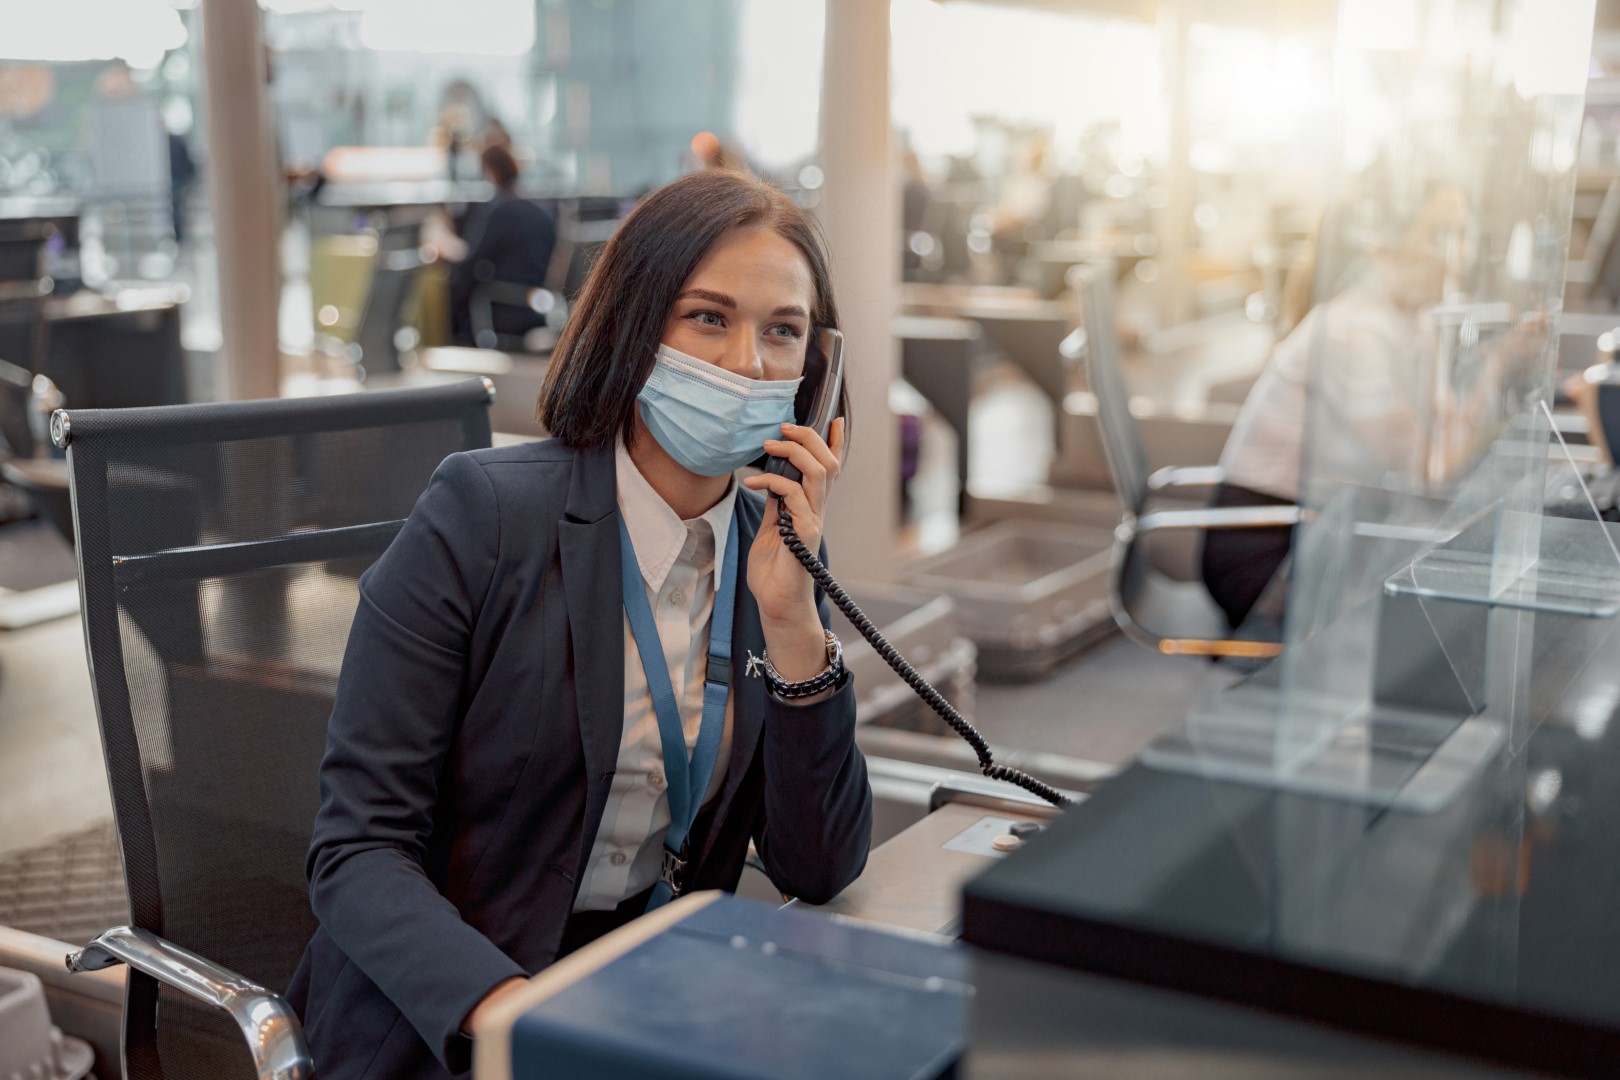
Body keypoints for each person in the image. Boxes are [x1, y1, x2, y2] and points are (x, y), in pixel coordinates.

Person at [287, 168, 873, 1078]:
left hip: (654, 1007)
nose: (747, 364)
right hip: (451, 1021)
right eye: (707, 318)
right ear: (637, 328)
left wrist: (795, 624)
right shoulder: (480, 516)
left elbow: (817, 865)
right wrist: (526, 1017)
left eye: (783, 331)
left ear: (818, 369)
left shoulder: (776, 551)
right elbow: (357, 853)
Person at [1202, 187, 1546, 630]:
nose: (1458, 256)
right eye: (1439, 236)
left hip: (1330, 537)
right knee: (1440, 622)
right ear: (1384, 245)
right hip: (1268, 552)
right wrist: (1496, 375)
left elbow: (1446, 439)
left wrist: (1497, 367)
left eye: (1463, 236)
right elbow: (1432, 471)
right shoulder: (1353, 331)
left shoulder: (1415, 324)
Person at [442, 144, 557, 347]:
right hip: (537, 306)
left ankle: (450, 343)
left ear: (490, 171)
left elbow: (475, 259)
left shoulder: (499, 212)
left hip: (504, 305)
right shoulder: (541, 213)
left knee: (458, 284)